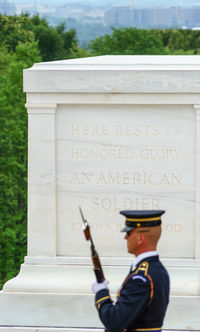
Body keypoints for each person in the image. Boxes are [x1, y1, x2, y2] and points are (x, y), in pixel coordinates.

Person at [91, 210, 170, 332]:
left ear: (140, 238)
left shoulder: (140, 278)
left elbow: (114, 322)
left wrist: (101, 293)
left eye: (128, 233)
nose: (125, 237)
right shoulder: (158, 270)